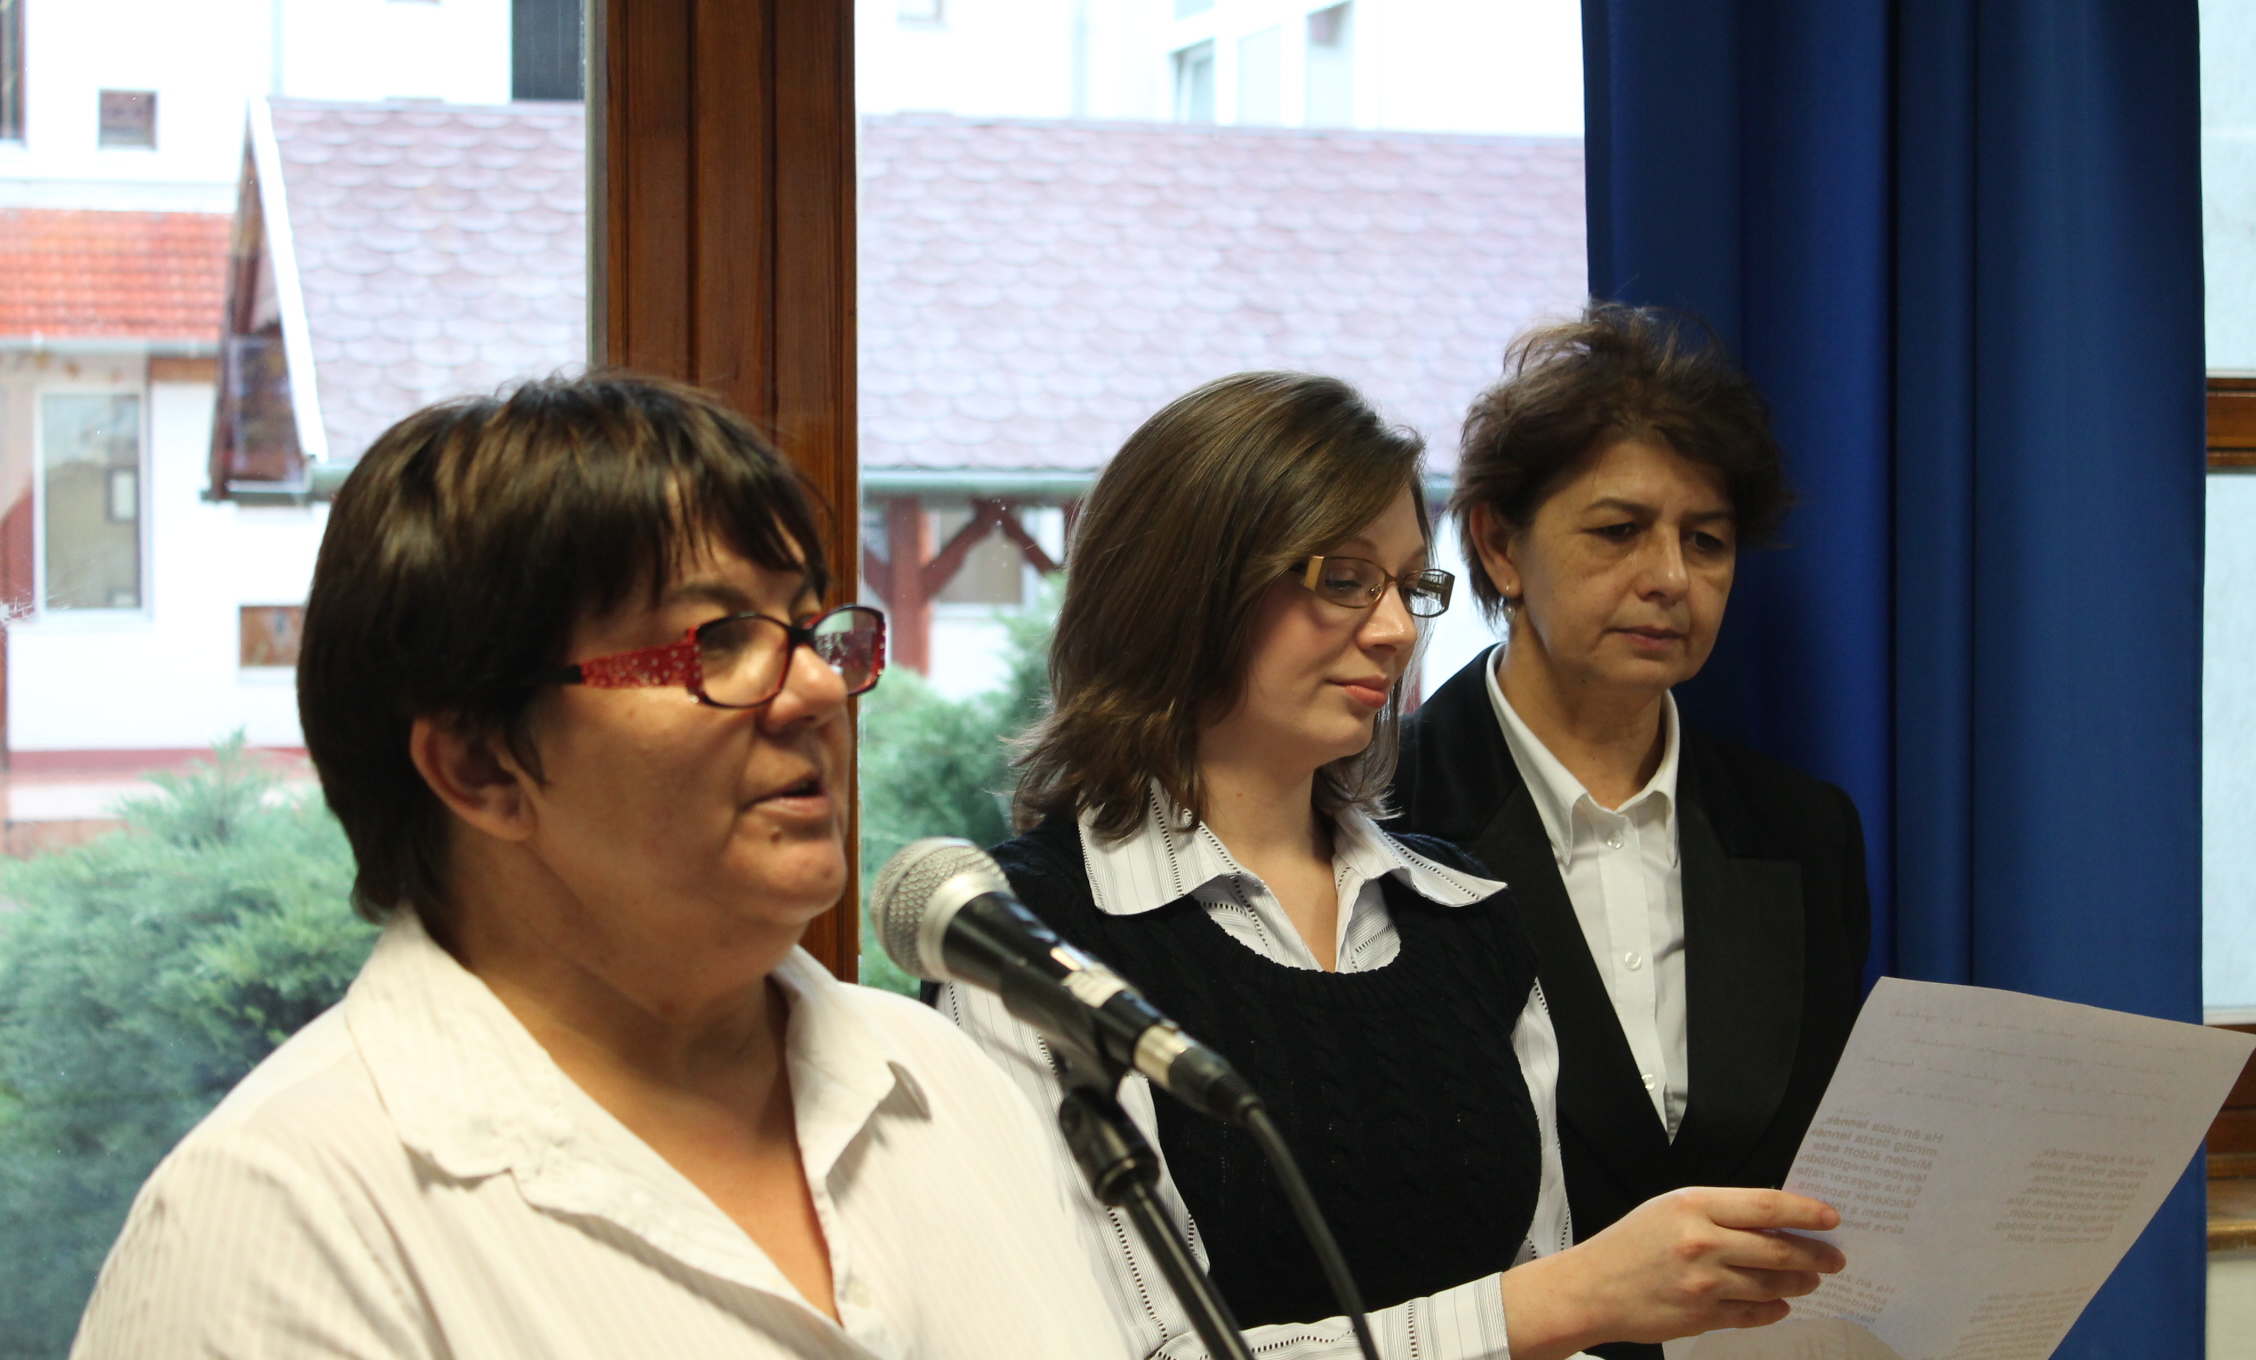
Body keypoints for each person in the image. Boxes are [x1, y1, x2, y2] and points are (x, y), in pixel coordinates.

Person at [71, 374, 1137, 1359]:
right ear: (482, 765)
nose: (818, 690)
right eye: (718, 640)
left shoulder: (945, 1081)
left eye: (812, 627)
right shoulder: (277, 1221)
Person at [937, 370, 1846, 1360]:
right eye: (1343, 580)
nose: (1397, 630)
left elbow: (1545, 1309)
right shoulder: (1024, 942)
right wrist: (1549, 1307)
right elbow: (1139, 1353)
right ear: (1184, 587)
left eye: (1410, 586)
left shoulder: (1467, 917)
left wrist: (1565, 1313)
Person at [1390, 306, 1872, 1360]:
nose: (1670, 577)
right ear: (1499, 545)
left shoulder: (1805, 830)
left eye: (1707, 540)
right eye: (1618, 531)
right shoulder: (1377, 813)